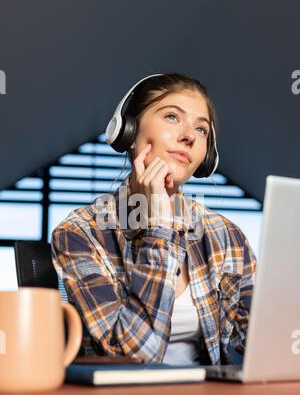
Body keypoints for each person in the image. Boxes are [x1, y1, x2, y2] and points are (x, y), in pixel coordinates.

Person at [51, 73, 257, 365]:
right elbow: (133, 358)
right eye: (172, 116)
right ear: (129, 131)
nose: (189, 136)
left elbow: (257, 350)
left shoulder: (225, 235)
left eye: (202, 130)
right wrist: (159, 228)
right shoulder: (81, 233)